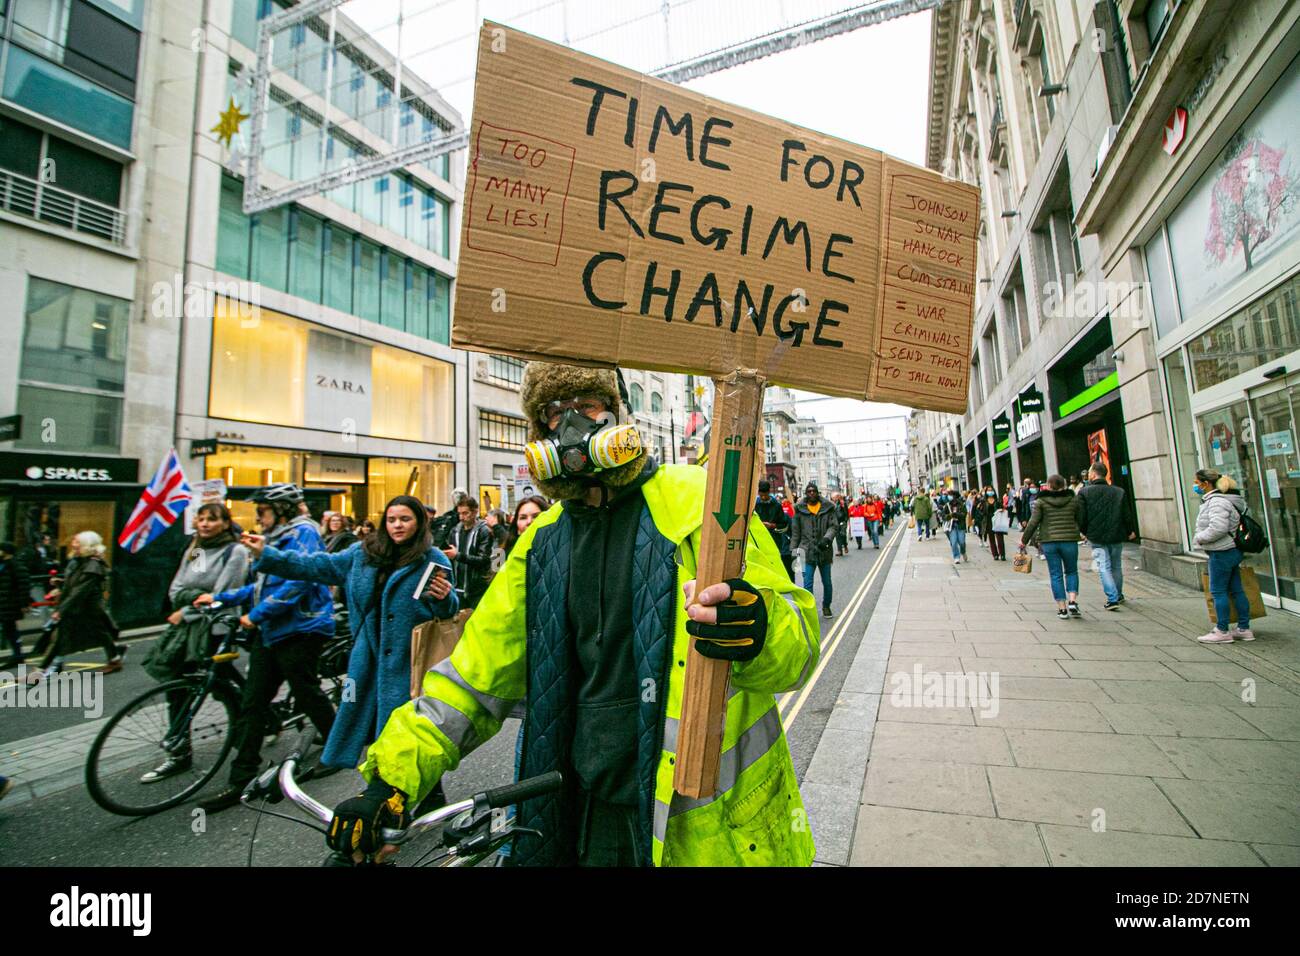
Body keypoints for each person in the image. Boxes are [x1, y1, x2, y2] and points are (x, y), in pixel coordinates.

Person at [325, 362, 818, 867]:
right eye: (554, 413)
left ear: (618, 414)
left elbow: (796, 654)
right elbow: (470, 679)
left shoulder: (699, 500)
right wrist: (390, 781)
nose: (572, 425)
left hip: (702, 823)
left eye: (587, 406)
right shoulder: (542, 540)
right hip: (585, 812)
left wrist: (756, 629)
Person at [241, 494, 458, 811]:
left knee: (403, 734)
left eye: (405, 519)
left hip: (408, 663)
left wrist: (444, 598)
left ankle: (405, 798)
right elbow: (316, 566)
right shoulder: (363, 554)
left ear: (420, 523)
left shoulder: (433, 558)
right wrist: (268, 555)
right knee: (374, 731)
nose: (397, 525)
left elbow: (446, 611)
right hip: (366, 662)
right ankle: (400, 797)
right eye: (392, 519)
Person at [196, 484, 337, 812]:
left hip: (303, 627)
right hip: (273, 630)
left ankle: (335, 746)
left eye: (263, 511)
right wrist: (222, 598)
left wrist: (256, 615)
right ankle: (241, 778)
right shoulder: (273, 535)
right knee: (253, 702)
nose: (259, 517)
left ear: (283, 509)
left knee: (306, 690)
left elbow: (299, 582)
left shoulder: (303, 534)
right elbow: (260, 584)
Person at [138, 503, 250, 783]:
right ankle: (178, 753)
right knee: (179, 688)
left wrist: (187, 608)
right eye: (201, 519)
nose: (205, 524)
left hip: (215, 628)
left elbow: (222, 594)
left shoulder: (233, 551)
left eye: (212, 519)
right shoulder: (197, 549)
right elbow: (179, 588)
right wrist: (192, 602)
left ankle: (252, 735)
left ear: (225, 523)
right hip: (190, 627)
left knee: (221, 685)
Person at [30, 532, 126, 681]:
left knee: (92, 634)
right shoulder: (83, 561)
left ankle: (39, 671)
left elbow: (79, 592)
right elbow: (76, 585)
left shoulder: (93, 565)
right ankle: (115, 659)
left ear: (86, 546)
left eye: (77, 542)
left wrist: (61, 610)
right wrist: (61, 583)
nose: (73, 545)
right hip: (81, 607)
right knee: (93, 634)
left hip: (85, 609)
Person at [1191, 469, 1253, 643]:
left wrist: (1199, 538)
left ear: (1206, 483)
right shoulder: (1227, 499)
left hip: (1221, 551)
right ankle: (1244, 628)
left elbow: (1218, 528)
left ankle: (1222, 630)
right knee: (1236, 590)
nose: (1195, 486)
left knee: (1218, 592)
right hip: (1232, 550)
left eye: (1197, 482)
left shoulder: (1217, 502)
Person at [1020, 474, 1084, 620]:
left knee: (1056, 574)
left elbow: (1033, 522)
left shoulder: (1041, 501)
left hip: (1049, 542)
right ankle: (1073, 600)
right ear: (1064, 485)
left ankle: (1062, 609)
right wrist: (1080, 531)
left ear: (1048, 486)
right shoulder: (1073, 499)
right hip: (1069, 540)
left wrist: (1024, 540)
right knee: (1072, 571)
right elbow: (1080, 519)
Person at [1077, 461, 1136, 611]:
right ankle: (1119, 594)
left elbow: (1081, 516)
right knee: (1116, 566)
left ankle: (1112, 598)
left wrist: (1083, 531)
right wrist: (1130, 531)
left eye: (1090, 473)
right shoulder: (1119, 492)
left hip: (1096, 536)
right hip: (1116, 534)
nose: (1088, 475)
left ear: (1094, 474)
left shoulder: (1084, 493)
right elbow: (1126, 514)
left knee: (1104, 566)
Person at [791, 482, 838, 618]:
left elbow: (834, 526)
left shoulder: (828, 508)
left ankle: (826, 606)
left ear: (818, 493)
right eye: (809, 491)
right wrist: (794, 552)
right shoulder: (799, 510)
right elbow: (795, 533)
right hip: (806, 551)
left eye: (814, 491)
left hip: (824, 550)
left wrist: (827, 539)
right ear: (806, 494)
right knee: (807, 583)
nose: (812, 493)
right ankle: (809, 609)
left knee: (827, 582)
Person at [445, 497, 493, 611]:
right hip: (457, 586)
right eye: (459, 513)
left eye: (465, 513)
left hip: (476, 588)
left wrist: (458, 555)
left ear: (475, 511)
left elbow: (484, 560)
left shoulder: (483, 531)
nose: (461, 517)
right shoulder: (455, 531)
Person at [754, 480, 793, 579]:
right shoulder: (754, 505)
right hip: (759, 541)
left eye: (765, 494)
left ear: (768, 492)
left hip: (774, 540)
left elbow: (784, 525)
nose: (763, 497)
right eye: (761, 494)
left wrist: (772, 526)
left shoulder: (776, 505)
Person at [0, 541, 29, 668]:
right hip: (3, 602)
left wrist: (23, 604)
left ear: (5, 551)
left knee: (10, 629)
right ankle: (17, 655)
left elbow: (23, 586)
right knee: (9, 629)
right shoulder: (3, 564)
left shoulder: (16, 566)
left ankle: (17, 656)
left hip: (10, 603)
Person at [935, 488, 968, 566]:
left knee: (962, 542)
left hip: (960, 525)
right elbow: (943, 516)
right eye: (948, 495)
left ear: (954, 496)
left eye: (950, 495)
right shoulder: (947, 505)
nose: (949, 497)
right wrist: (949, 516)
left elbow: (964, 514)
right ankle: (956, 557)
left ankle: (963, 552)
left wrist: (956, 515)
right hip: (952, 527)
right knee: (953, 543)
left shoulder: (961, 504)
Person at [983, 487, 1008, 561]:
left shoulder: (997, 500)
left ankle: (1002, 554)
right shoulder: (984, 501)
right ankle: (995, 554)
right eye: (988, 490)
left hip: (997, 520)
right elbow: (981, 512)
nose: (990, 492)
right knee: (991, 538)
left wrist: (1002, 509)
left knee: (1000, 538)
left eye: (991, 490)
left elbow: (1002, 508)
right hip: (988, 521)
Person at [831, 492, 850, 557]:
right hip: (835, 522)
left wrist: (845, 520)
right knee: (837, 536)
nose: (833, 498)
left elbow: (846, 512)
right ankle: (839, 551)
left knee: (843, 534)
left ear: (837, 497)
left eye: (834, 497)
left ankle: (845, 545)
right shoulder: (832, 504)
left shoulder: (842, 503)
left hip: (842, 521)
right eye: (832, 497)